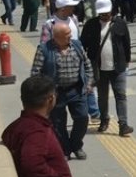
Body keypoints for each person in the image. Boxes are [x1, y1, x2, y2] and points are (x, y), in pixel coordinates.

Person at [29, 23, 93, 160]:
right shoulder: (44, 49)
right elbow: (35, 73)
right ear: (57, 37)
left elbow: (87, 65)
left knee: (82, 118)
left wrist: (88, 83)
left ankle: (76, 145)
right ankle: (65, 149)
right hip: (55, 93)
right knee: (58, 124)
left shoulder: (77, 45)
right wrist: (45, 92)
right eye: (67, 34)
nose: (70, 36)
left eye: (70, 33)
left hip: (76, 90)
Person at [79, 0, 133, 137]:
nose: (105, 16)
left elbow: (126, 43)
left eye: (107, 13)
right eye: (102, 13)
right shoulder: (91, 25)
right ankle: (104, 119)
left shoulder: (120, 23)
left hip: (118, 66)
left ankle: (123, 124)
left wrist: (127, 60)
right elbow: (82, 45)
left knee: (120, 95)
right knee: (102, 97)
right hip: (99, 68)